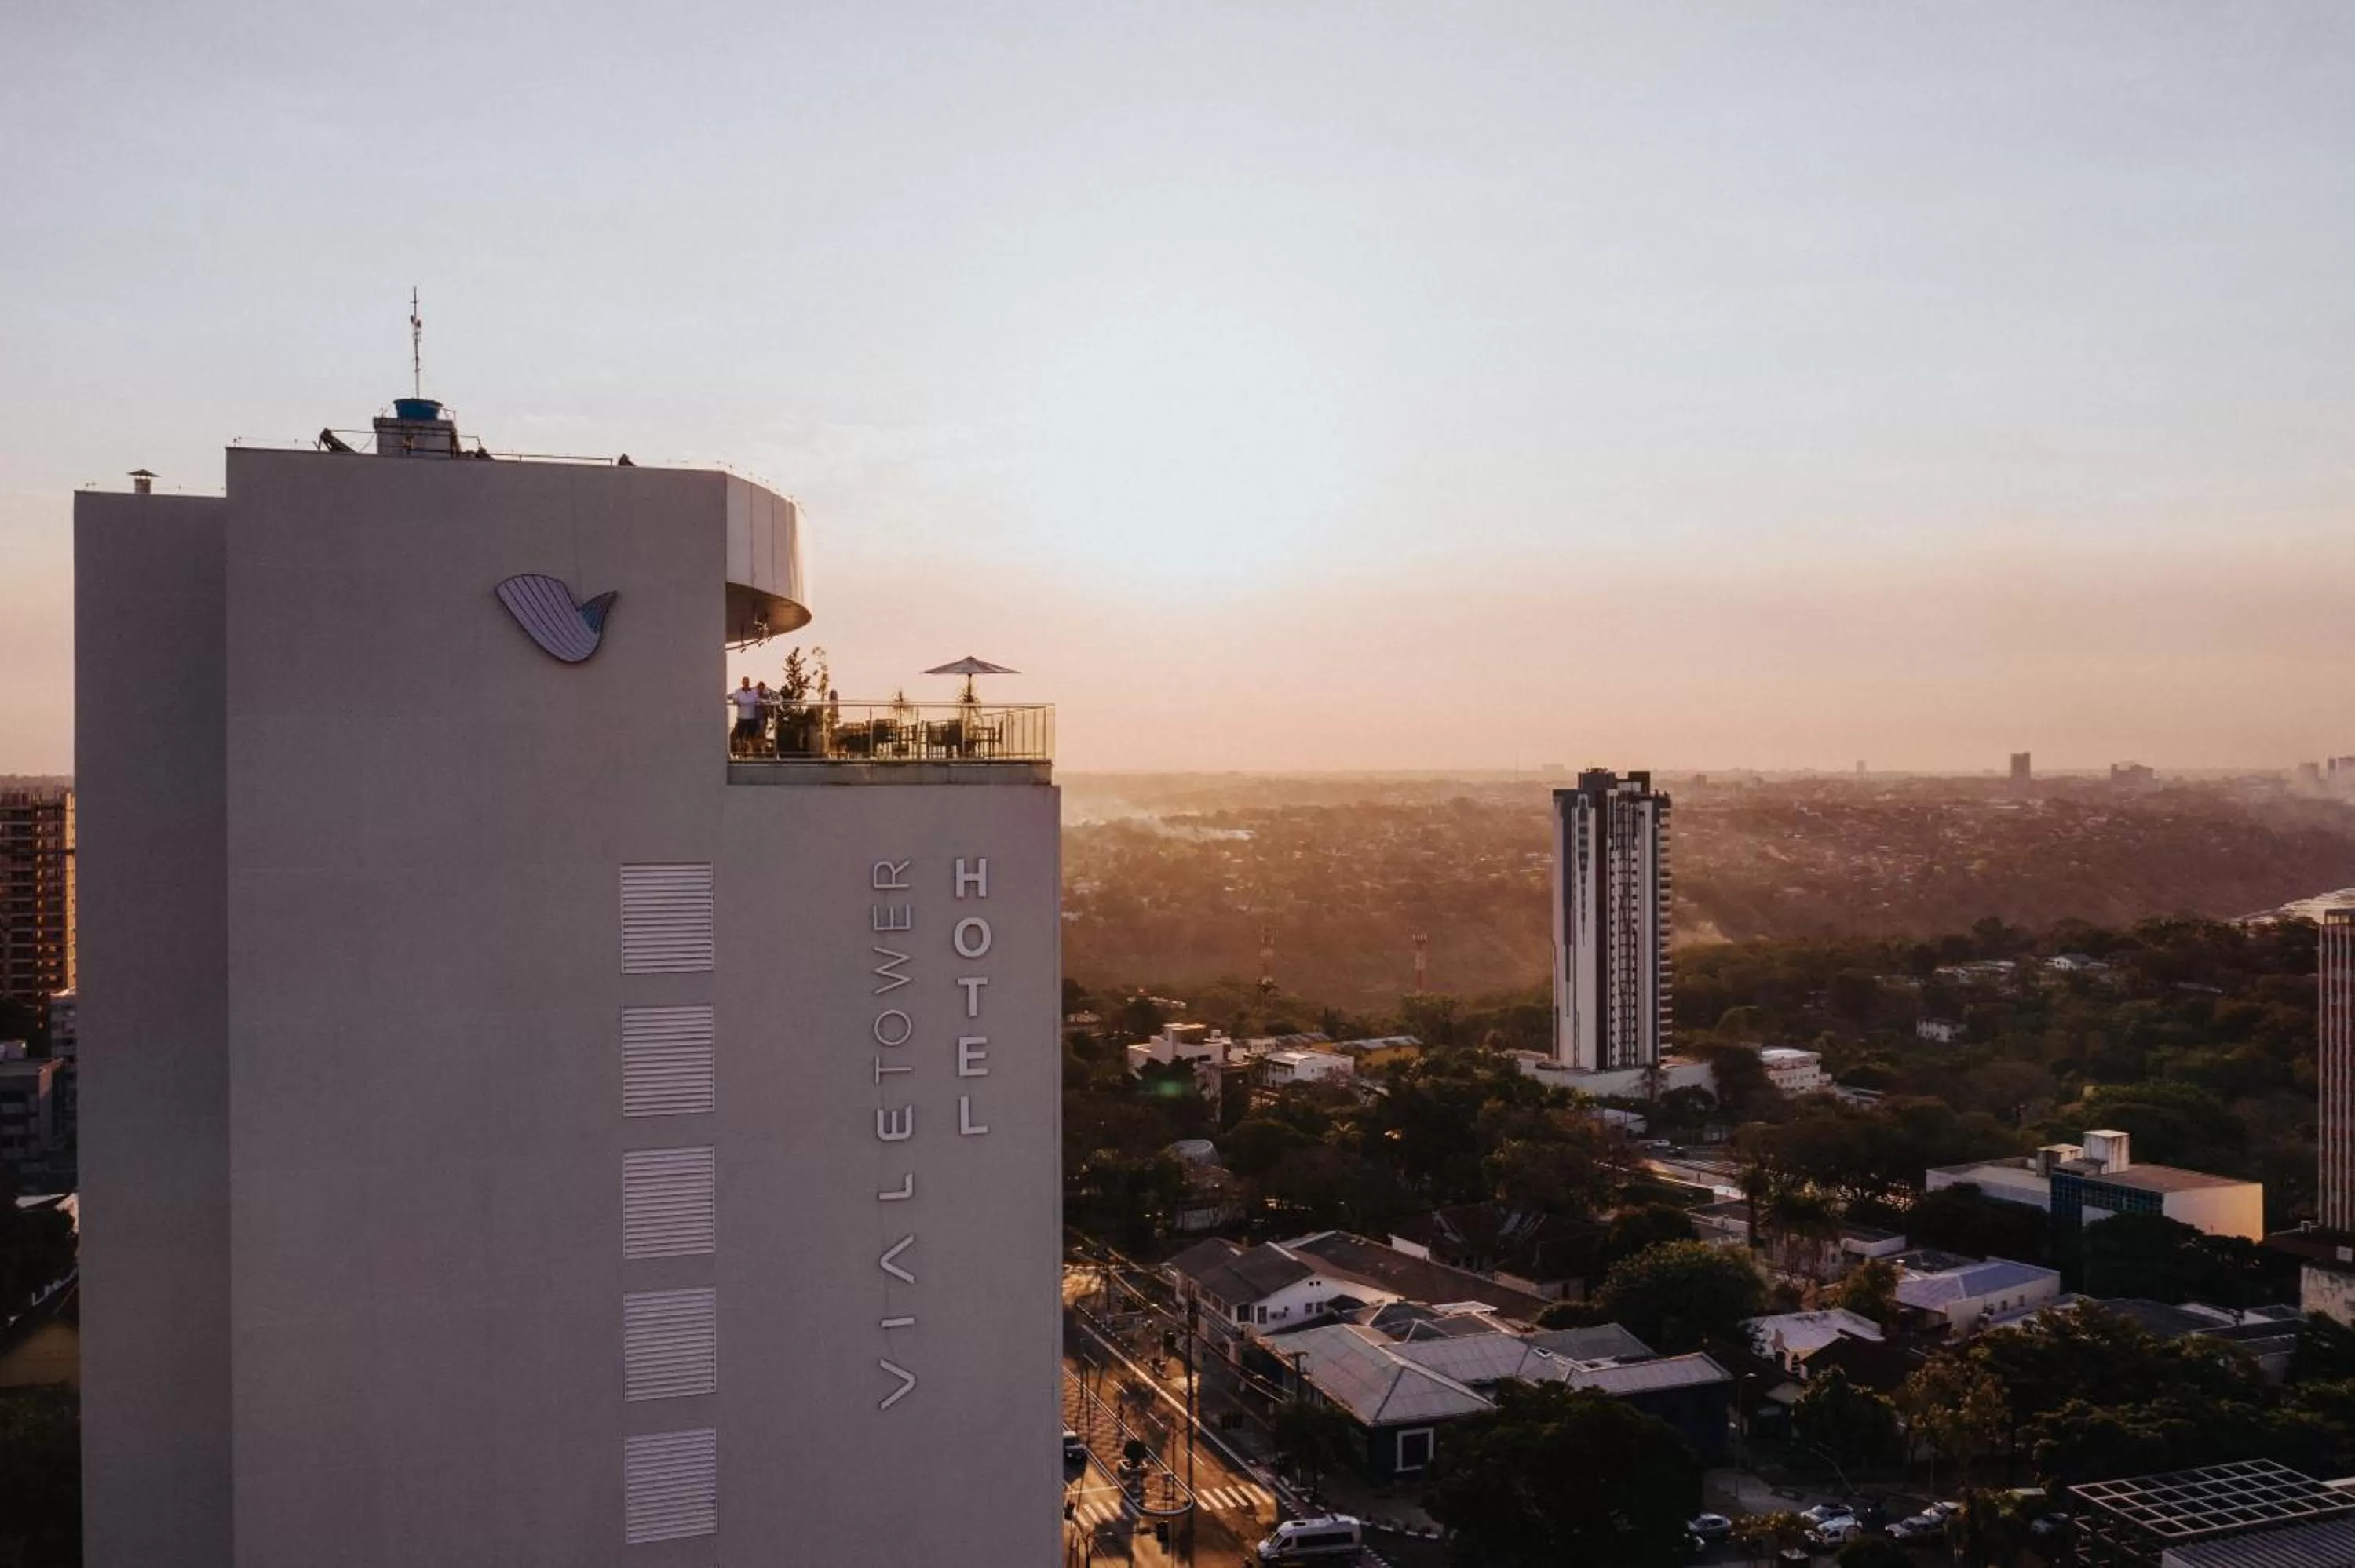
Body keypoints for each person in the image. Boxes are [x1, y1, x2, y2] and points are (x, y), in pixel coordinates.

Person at [728, 676, 764, 755]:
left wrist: (758, 701)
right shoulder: (738, 691)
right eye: (745, 682)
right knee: (741, 735)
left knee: (751, 735)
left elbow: (757, 700)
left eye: (747, 682)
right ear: (742, 683)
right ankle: (741, 750)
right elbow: (735, 700)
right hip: (742, 717)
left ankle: (750, 751)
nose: (746, 684)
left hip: (751, 717)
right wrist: (739, 702)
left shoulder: (753, 692)